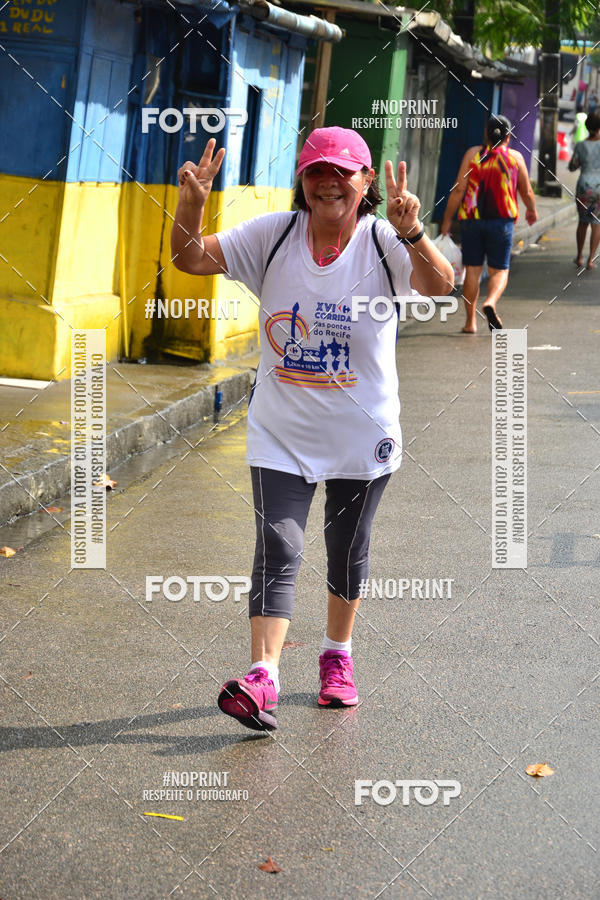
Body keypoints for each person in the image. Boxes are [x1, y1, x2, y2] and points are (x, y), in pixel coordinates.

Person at [170, 127, 454, 731]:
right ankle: (263, 676)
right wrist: (190, 208)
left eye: (343, 172)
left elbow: (439, 286)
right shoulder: (272, 237)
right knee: (280, 544)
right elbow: (189, 259)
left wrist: (412, 232)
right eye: (316, 170)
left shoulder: (383, 242)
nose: (329, 181)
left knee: (347, 549)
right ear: (303, 180)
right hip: (283, 431)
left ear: (365, 182)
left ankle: (336, 655)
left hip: (362, 433)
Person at [441, 115, 538, 333]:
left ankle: (469, 323)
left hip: (471, 221)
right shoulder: (515, 158)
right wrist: (531, 210)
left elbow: (458, 190)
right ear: (509, 136)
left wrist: (447, 220)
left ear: (486, 133)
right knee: (500, 270)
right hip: (501, 223)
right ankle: (490, 302)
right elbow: (527, 191)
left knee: (472, 270)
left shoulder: (472, 155)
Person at [568, 111, 600, 270]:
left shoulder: (581, 145)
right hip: (599, 187)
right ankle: (590, 260)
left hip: (583, 185)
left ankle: (579, 257)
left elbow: (572, 166)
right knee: (596, 223)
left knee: (582, 222)